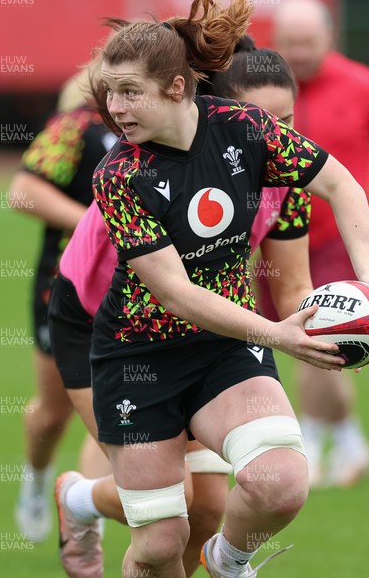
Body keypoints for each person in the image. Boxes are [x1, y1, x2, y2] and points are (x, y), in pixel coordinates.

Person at [55, 0, 369, 578]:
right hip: (131, 350)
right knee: (163, 537)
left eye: (129, 91)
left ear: (177, 86)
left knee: (278, 484)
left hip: (223, 343)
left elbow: (342, 184)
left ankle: (230, 564)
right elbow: (172, 292)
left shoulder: (244, 129)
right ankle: (77, 500)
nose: (114, 108)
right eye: (108, 92)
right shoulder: (118, 173)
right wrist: (277, 334)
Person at [49, 35, 312, 578]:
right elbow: (164, 289)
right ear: (213, 112)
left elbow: (291, 292)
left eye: (287, 120)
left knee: (210, 509)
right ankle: (78, 500)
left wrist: (339, 324)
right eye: (262, 120)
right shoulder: (137, 177)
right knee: (164, 514)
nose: (275, 136)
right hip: (107, 329)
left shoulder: (285, 178)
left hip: (199, 333)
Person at [273, 0, 369, 488]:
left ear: (329, 39)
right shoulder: (265, 91)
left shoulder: (363, 85)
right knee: (286, 339)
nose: (298, 53)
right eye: (289, 43)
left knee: (321, 336)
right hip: (274, 238)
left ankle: (308, 441)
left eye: (307, 43)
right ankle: (352, 442)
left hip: (339, 239)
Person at [8, 64, 115, 541]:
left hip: (138, 297)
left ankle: (85, 518)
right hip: (67, 289)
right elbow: (23, 191)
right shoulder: (77, 125)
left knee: (107, 411)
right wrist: (100, 224)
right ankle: (35, 481)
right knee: (53, 414)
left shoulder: (178, 126)